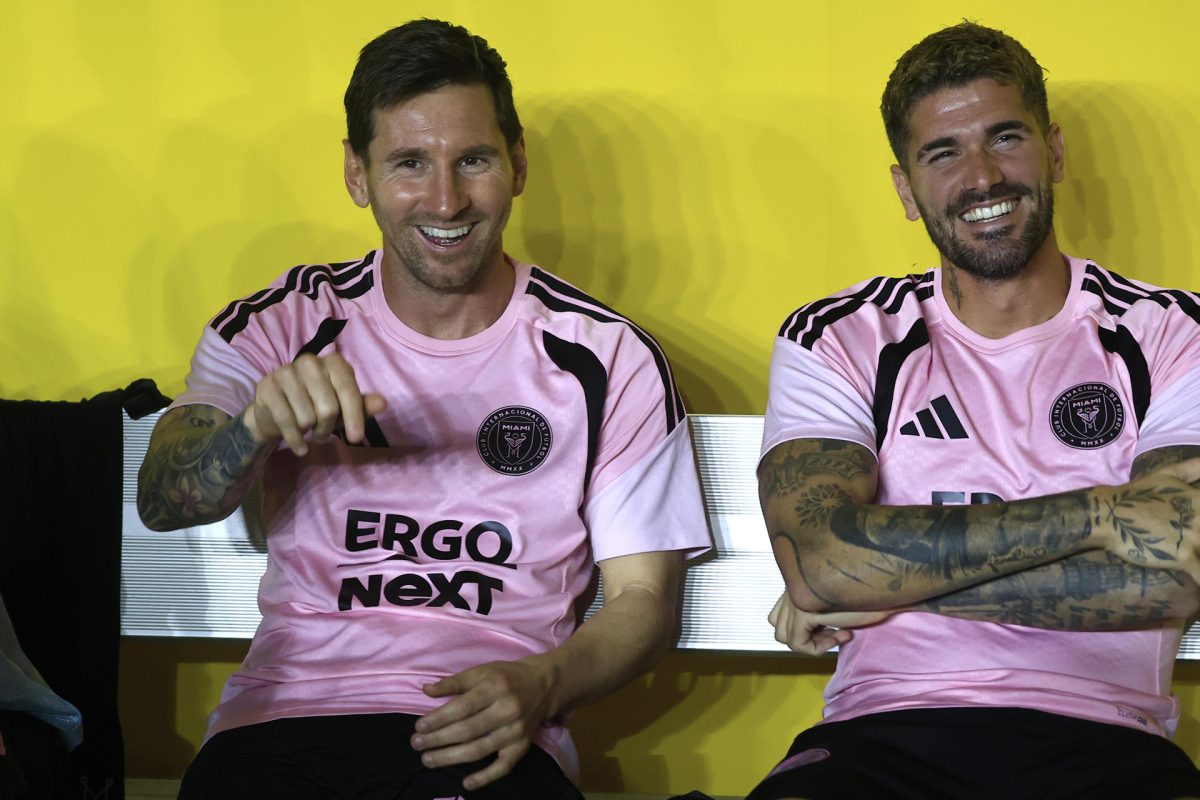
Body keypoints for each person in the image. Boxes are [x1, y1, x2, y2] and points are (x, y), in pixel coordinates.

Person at [136, 19, 710, 800]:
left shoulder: (607, 357)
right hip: (283, 729)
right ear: (357, 174)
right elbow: (164, 500)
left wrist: (539, 686)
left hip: (492, 736)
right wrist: (253, 431)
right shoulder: (278, 325)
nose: (446, 199)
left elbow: (645, 602)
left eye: (472, 160)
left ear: (517, 164)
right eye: (409, 162)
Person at [752, 21, 1200, 800]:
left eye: (1005, 137)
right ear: (906, 188)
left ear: (1054, 149)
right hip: (879, 735)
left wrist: (875, 578)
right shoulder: (842, 336)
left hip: (1103, 742)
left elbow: (1175, 578)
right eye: (943, 152)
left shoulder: (1171, 332)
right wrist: (1100, 514)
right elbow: (820, 561)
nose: (983, 176)